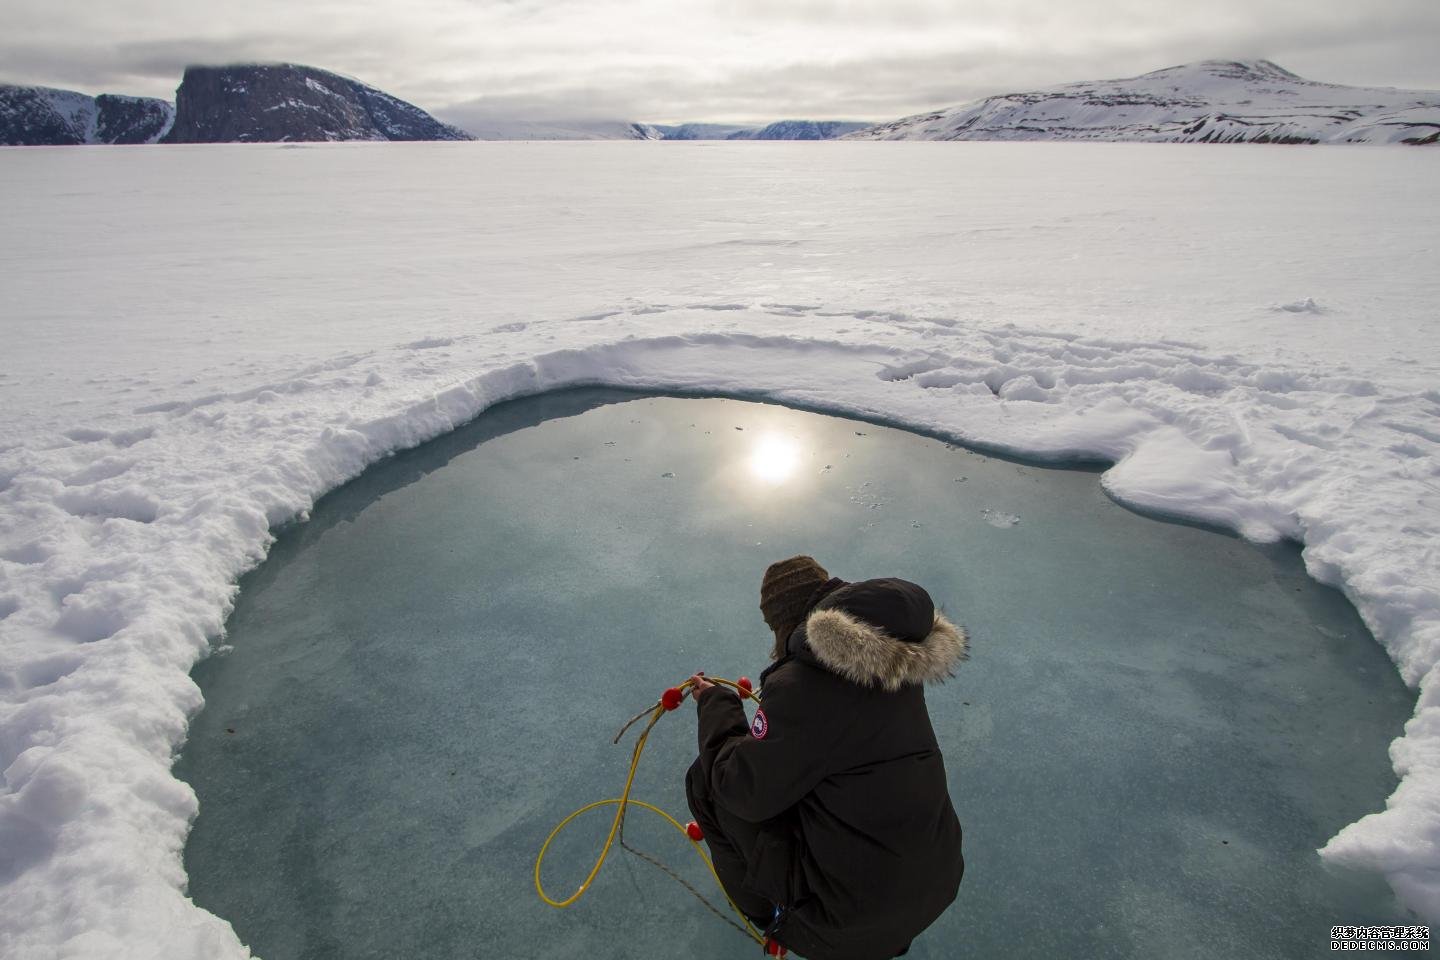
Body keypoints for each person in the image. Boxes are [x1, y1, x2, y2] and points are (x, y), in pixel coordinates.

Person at [685, 555, 967, 960]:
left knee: (707, 782)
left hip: (846, 924)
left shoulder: (805, 685)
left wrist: (716, 704)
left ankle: (778, 921)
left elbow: (739, 786)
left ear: (786, 622)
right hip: (934, 885)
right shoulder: (889, 660)